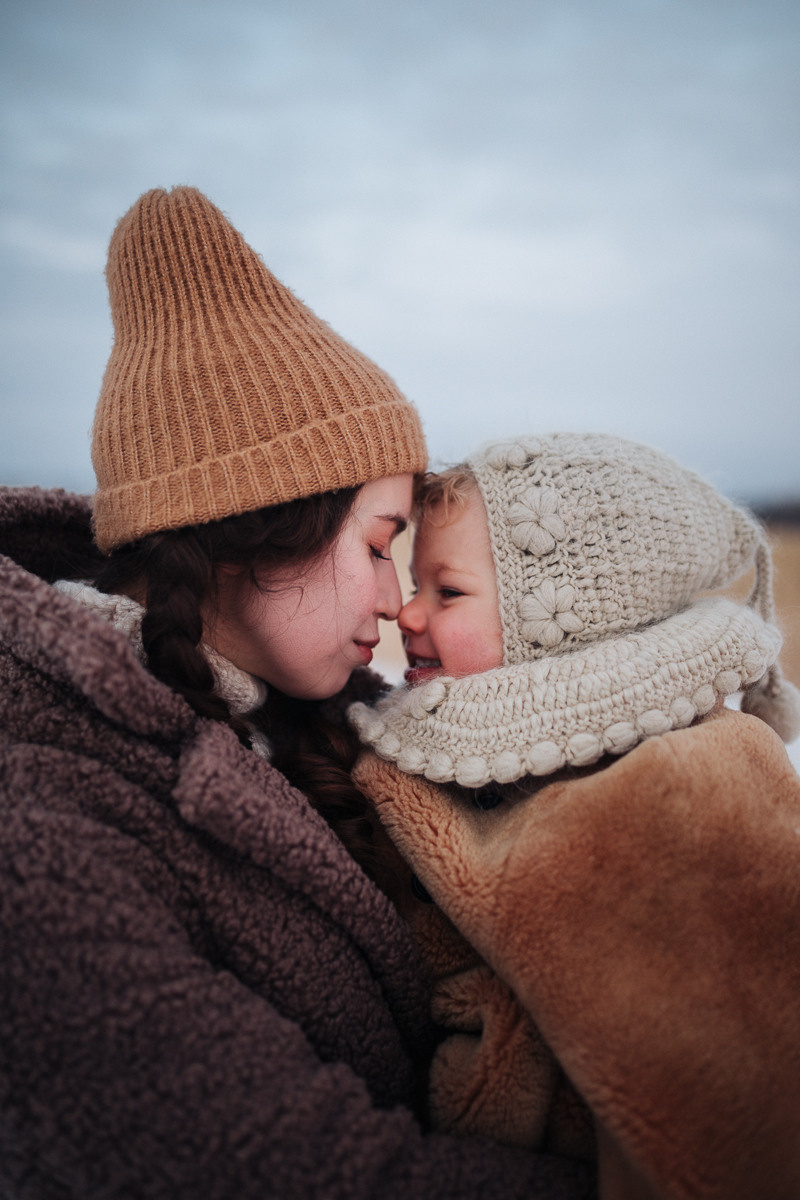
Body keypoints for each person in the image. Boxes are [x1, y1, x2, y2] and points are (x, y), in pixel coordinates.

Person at [0, 190, 595, 1200]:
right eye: (375, 545)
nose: (395, 598)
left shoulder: (301, 717)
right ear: (255, 528)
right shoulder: (39, 832)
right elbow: (312, 1175)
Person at [349, 433, 800, 1200]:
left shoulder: (686, 767)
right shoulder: (421, 760)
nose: (408, 612)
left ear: (567, 628)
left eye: (447, 593)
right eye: (415, 582)